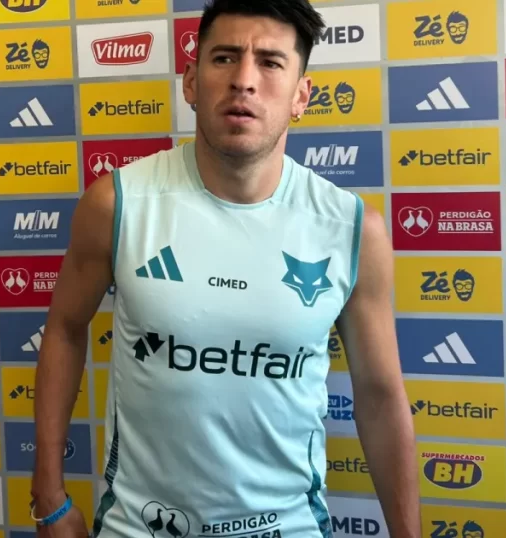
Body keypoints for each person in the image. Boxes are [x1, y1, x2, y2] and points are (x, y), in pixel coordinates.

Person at [30, 0, 420, 537]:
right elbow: (65, 331)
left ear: (301, 96)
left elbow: (379, 396)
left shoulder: (352, 229)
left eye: (271, 62)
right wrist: (48, 498)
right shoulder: (118, 204)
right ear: (191, 82)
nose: (244, 80)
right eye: (224, 58)